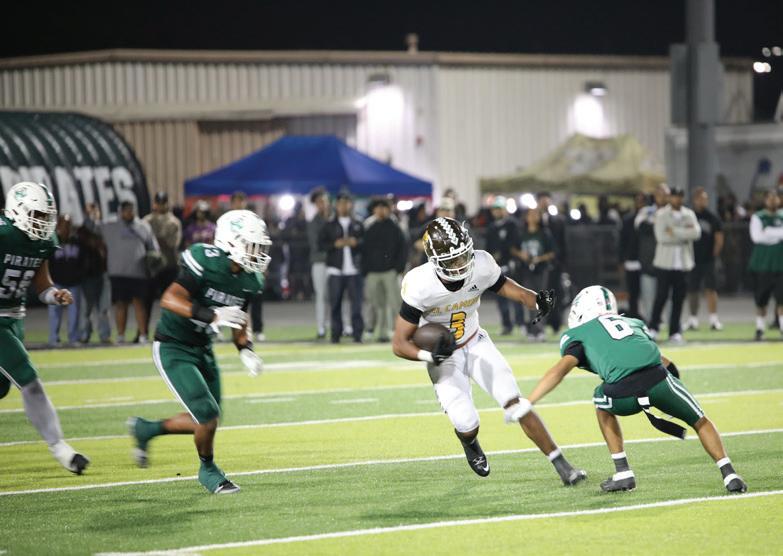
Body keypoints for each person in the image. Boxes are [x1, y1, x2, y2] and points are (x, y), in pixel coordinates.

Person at [391, 217, 585, 485]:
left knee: (516, 403)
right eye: (452, 261)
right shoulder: (419, 284)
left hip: (476, 341)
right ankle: (470, 443)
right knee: (466, 422)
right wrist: (429, 356)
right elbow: (399, 343)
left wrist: (536, 301)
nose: (460, 264)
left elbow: (506, 287)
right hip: (444, 356)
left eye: (463, 256)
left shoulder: (481, 264)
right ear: (434, 261)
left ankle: (563, 466)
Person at [519, 285, 747, 494]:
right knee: (700, 421)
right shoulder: (633, 323)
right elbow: (664, 362)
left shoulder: (577, 335)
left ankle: (623, 472)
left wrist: (529, 401)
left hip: (621, 394)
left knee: (600, 401)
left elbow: (559, 370)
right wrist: (673, 392)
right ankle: (730, 475)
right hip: (660, 380)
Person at [128, 209, 270, 494]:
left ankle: (147, 429)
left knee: (208, 419)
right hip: (174, 344)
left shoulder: (250, 280)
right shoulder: (206, 261)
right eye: (252, 246)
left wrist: (246, 349)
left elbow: (239, 319)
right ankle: (208, 470)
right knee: (207, 414)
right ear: (231, 242)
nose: (258, 254)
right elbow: (170, 299)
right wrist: (213, 315)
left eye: (260, 247)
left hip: (203, 347)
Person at [0, 181, 89, 474]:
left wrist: (55, 295)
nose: (43, 222)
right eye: (37, 215)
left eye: (46, 216)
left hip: (14, 318)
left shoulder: (42, 241)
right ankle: (61, 449)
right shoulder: (4, 234)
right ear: (18, 210)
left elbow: (41, 284)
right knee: (29, 380)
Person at [101, 201, 159, 344]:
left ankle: (143, 335)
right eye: (126, 210)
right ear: (120, 211)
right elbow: (92, 228)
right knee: (120, 304)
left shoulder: (143, 226)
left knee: (139, 304)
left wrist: (152, 261)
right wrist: (92, 216)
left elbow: (154, 248)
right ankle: (121, 336)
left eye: (131, 210)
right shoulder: (111, 225)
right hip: (118, 272)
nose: (129, 212)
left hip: (138, 272)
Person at [648, 187, 700, 344]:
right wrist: (684, 234)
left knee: (678, 299)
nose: (677, 199)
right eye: (675, 196)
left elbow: (696, 233)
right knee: (661, 296)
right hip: (664, 263)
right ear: (670, 198)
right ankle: (653, 327)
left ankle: (675, 331)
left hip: (683, 264)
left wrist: (674, 231)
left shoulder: (688, 214)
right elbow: (661, 237)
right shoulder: (662, 214)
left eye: (680, 196)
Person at [319, 192, 364, 343]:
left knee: (356, 305)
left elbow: (366, 242)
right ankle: (336, 334)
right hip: (335, 269)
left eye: (346, 203)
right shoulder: (329, 225)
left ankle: (357, 334)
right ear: (336, 205)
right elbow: (320, 244)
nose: (344, 206)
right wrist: (334, 245)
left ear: (351, 205)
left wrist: (356, 242)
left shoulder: (358, 223)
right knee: (335, 304)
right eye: (341, 203)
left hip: (354, 269)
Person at [361, 198, 407, 342]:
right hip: (373, 271)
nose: (381, 210)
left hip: (390, 271)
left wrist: (399, 268)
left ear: (389, 209)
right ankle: (376, 331)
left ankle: (395, 330)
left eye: (384, 207)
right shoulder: (369, 226)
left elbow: (403, 248)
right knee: (375, 303)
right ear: (374, 210)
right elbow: (363, 250)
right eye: (378, 207)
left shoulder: (395, 227)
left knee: (394, 303)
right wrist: (365, 269)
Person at [512, 208, 556, 341]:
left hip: (541, 269)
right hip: (526, 270)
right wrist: (521, 255)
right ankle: (532, 330)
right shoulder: (521, 233)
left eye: (536, 214)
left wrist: (539, 259)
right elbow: (512, 248)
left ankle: (540, 330)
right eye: (530, 214)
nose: (533, 217)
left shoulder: (544, 233)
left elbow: (552, 252)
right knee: (529, 299)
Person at [685, 188, 724, 331]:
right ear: (694, 200)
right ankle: (693, 319)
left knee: (711, 289)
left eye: (705, 199)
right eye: (700, 198)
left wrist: (713, 255)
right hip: (692, 260)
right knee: (692, 290)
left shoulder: (712, 217)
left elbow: (719, 238)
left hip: (708, 260)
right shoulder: (689, 216)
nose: (703, 201)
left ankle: (713, 319)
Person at [143, 191, 183, 328]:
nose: (160, 205)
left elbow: (172, 244)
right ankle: (142, 332)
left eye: (163, 203)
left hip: (169, 266)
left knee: (171, 300)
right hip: (151, 267)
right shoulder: (147, 220)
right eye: (158, 203)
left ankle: (171, 328)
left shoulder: (173, 221)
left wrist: (154, 240)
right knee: (146, 301)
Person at [748, 189, 783, 341]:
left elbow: (764, 235)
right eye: (770, 198)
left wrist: (768, 231)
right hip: (762, 265)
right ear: (765, 200)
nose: (773, 201)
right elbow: (757, 237)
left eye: (776, 198)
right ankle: (760, 328)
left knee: (782, 299)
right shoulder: (758, 217)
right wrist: (778, 235)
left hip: (780, 265)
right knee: (761, 299)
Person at [485, 196, 523, 334]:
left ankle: (521, 323)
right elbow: (488, 246)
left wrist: (507, 254)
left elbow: (516, 243)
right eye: (495, 209)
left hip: (512, 265)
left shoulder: (513, 224)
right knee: (501, 298)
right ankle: (507, 325)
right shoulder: (491, 227)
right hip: (497, 267)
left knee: (516, 295)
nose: (497, 211)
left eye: (499, 208)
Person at [47, 215, 86, 346]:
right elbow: (47, 262)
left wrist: (79, 275)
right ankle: (54, 338)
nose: (66, 228)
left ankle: (73, 338)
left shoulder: (77, 242)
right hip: (57, 283)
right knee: (54, 312)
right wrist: (50, 280)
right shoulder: (52, 241)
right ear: (58, 226)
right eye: (64, 225)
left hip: (74, 283)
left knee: (74, 312)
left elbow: (83, 261)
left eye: (68, 225)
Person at [635, 184, 669, 322]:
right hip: (648, 262)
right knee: (648, 298)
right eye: (659, 194)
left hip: (668, 263)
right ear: (655, 196)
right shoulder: (647, 211)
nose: (662, 197)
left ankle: (672, 326)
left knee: (669, 298)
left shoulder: (673, 212)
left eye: (664, 194)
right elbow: (640, 226)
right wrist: (662, 227)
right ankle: (651, 325)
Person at [78, 204, 111, 344]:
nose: (93, 214)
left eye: (95, 211)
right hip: (87, 275)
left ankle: (104, 335)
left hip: (102, 273)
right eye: (90, 212)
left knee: (104, 307)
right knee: (86, 308)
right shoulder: (81, 231)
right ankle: (85, 334)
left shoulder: (104, 229)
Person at [536, 192, 567, 331]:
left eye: (547, 200)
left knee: (556, 293)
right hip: (538, 265)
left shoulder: (558, 220)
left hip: (555, 264)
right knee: (540, 294)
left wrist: (563, 264)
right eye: (542, 200)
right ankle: (541, 323)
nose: (545, 203)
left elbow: (563, 243)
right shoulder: (533, 219)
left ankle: (555, 323)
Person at [307, 189, 331, 339]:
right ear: (315, 204)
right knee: (321, 296)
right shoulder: (314, 222)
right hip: (320, 262)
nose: (322, 204)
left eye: (324, 201)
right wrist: (333, 248)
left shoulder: (335, 218)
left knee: (337, 295)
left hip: (335, 263)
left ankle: (341, 326)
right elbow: (315, 245)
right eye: (319, 202)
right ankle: (321, 327)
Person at [618, 193, 646, 319]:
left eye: (642, 201)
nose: (640, 204)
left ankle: (649, 316)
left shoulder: (650, 219)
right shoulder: (628, 220)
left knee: (648, 291)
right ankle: (634, 315)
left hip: (647, 261)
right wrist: (621, 260)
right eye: (638, 201)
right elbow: (622, 241)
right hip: (632, 260)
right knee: (633, 291)